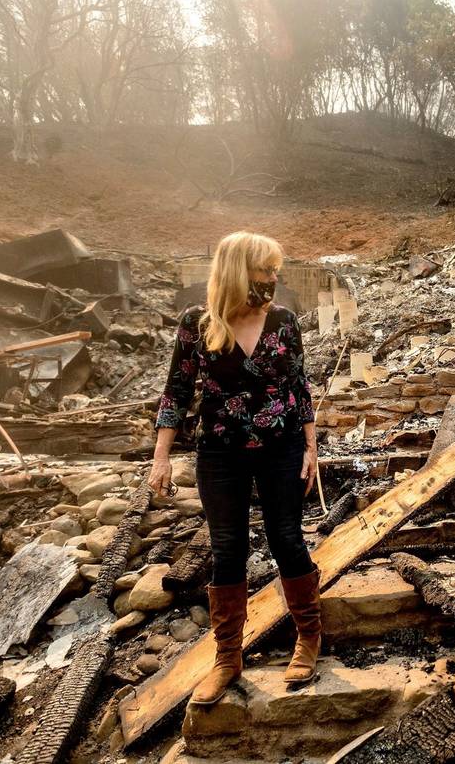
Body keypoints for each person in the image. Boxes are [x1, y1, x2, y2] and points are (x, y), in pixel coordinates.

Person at [147, 231, 321, 705]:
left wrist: (311, 447)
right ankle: (227, 657)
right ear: (237, 272)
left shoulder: (284, 321)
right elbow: (176, 394)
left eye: (274, 270)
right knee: (227, 548)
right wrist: (160, 457)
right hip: (220, 453)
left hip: (282, 446)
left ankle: (309, 636)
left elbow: (300, 387)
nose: (273, 278)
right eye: (265, 270)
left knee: (287, 538)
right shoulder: (196, 324)